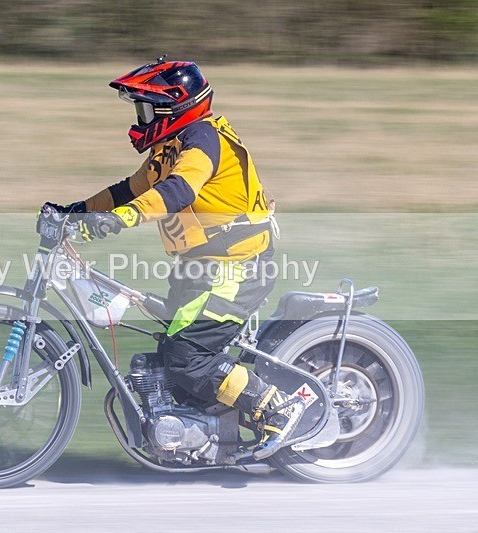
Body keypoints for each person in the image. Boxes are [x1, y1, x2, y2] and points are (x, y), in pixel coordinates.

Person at [44, 57, 303, 459]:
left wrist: (119, 220)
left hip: (236, 267)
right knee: (170, 356)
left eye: (147, 109)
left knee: (188, 359)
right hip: (199, 269)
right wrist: (74, 212)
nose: (141, 118)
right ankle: (205, 433)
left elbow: (179, 190)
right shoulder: (171, 147)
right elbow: (127, 190)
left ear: (173, 108)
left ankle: (275, 407)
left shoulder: (203, 139)